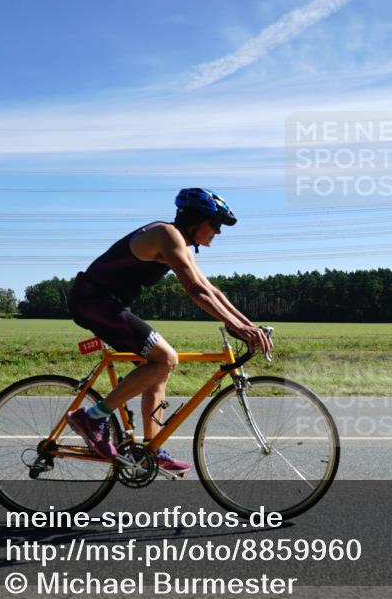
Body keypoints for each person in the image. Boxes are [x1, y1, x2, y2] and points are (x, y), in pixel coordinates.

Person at [66, 188, 273, 473]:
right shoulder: (168, 235)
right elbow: (196, 291)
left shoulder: (179, 242)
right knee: (165, 357)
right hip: (94, 302)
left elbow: (212, 289)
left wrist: (246, 324)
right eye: (215, 224)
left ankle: (150, 449)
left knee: (159, 367)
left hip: (106, 303)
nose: (218, 232)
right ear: (196, 219)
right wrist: (236, 326)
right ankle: (92, 418)